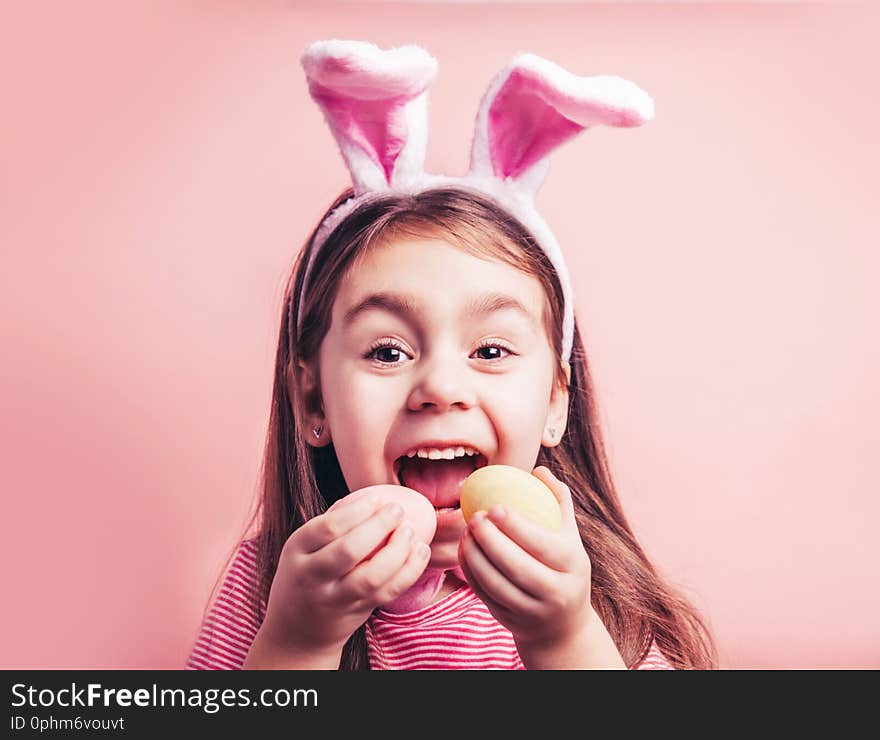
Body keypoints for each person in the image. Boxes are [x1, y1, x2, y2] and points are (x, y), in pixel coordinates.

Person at [186, 40, 717, 670]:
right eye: (387, 351)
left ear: (554, 401)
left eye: (490, 349)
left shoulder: (601, 595)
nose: (440, 386)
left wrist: (563, 638)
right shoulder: (275, 584)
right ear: (311, 398)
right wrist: (299, 642)